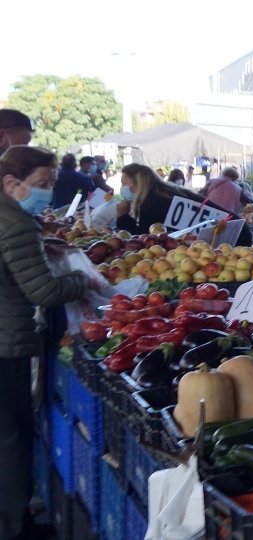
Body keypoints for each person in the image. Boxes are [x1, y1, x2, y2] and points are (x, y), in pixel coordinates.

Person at [0, 145, 89, 539]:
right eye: (40, 184)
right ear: (11, 183)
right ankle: (16, 526)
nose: (48, 191)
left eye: (51, 183)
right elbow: (43, 292)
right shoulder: (16, 224)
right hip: (7, 342)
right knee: (11, 435)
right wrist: (82, 279)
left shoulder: (11, 217)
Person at [116, 164, 253, 245]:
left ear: (138, 184)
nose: (122, 188)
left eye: (124, 183)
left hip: (233, 237)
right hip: (237, 231)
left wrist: (122, 217)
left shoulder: (154, 203)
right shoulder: (165, 193)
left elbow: (143, 240)